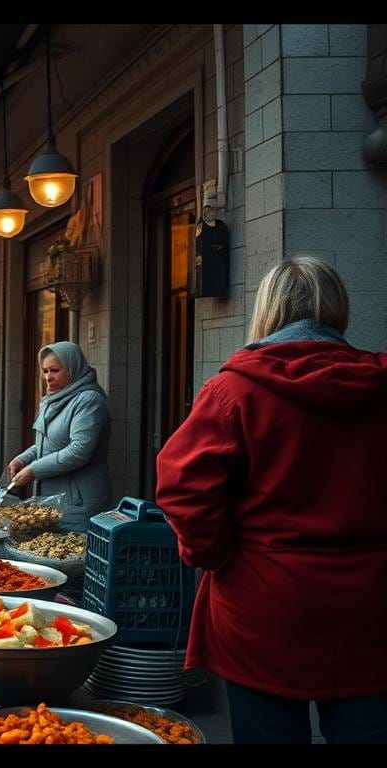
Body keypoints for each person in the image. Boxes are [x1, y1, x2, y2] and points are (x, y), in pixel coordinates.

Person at [156, 257, 387, 744]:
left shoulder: (234, 390)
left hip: (263, 607)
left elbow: (182, 487)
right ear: (338, 308)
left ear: (267, 311)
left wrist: (213, 555)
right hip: (369, 610)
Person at [5, 341, 111, 533]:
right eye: (45, 371)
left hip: (77, 504)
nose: (48, 377)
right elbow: (47, 444)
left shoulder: (89, 400)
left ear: (72, 367)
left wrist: (34, 469)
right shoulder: (54, 398)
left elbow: (79, 450)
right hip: (51, 502)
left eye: (55, 370)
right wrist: (23, 459)